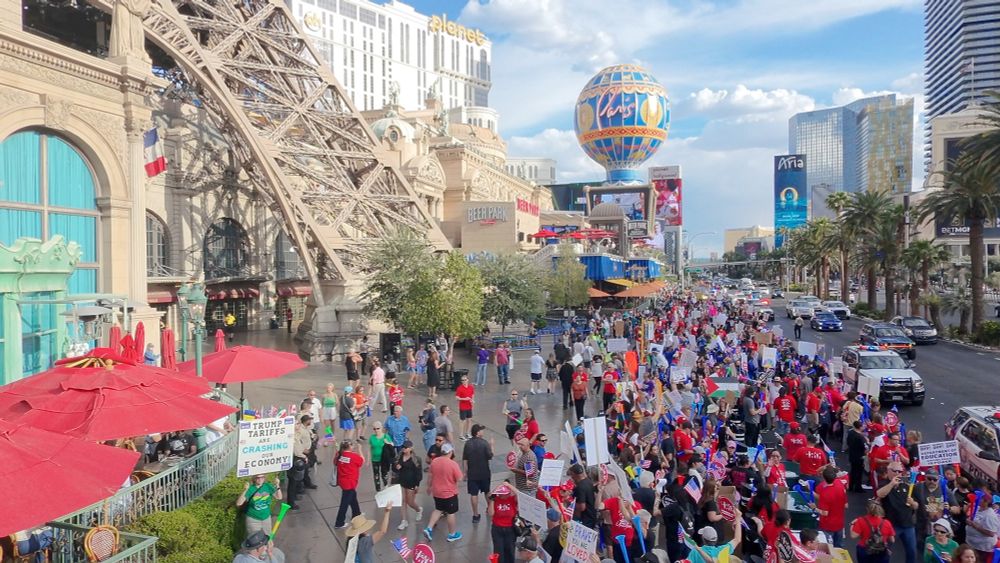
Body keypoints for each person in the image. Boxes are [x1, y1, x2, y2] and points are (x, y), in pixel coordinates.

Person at [877, 462, 919, 563]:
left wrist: (912, 503)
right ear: (888, 471)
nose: (897, 473)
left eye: (899, 471)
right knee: (886, 550)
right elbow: (879, 494)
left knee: (912, 551)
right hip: (891, 525)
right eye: (894, 471)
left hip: (908, 524)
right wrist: (892, 484)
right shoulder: (884, 483)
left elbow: (916, 506)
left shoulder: (906, 486)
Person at [424, 442, 463, 543]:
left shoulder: (434, 461)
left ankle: (429, 528)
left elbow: (430, 475)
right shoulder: (453, 464)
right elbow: (459, 478)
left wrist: (428, 487)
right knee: (451, 513)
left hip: (437, 492)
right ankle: (452, 534)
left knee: (438, 509)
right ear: (450, 452)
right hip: (449, 493)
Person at [462, 423, 495, 524]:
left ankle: (475, 515)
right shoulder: (484, 443)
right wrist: (492, 445)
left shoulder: (467, 444)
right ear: (478, 432)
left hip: (472, 473)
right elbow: (490, 456)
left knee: (473, 494)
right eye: (481, 430)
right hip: (484, 472)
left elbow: (465, 459)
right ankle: (490, 509)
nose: (483, 431)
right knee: (487, 491)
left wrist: (465, 473)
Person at [332, 440, 364, 529]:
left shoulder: (339, 455)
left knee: (353, 497)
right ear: (349, 447)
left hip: (343, 481)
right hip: (350, 482)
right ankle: (339, 522)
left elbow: (335, 462)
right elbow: (362, 461)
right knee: (344, 503)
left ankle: (356, 514)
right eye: (352, 445)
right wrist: (360, 449)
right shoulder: (353, 456)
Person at [814, 466, 847, 548]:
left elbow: (825, 513)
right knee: (839, 548)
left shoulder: (825, 494)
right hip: (839, 524)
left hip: (827, 525)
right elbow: (846, 505)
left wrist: (814, 508)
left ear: (824, 478)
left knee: (828, 548)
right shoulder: (840, 485)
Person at [392, 440, 423, 530]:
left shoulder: (416, 459)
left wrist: (417, 484)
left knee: (410, 502)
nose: (404, 449)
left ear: (411, 448)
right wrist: (396, 467)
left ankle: (418, 509)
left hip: (411, 482)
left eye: (406, 447)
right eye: (403, 447)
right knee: (403, 501)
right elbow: (394, 468)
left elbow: (418, 473)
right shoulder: (399, 457)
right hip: (401, 481)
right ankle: (404, 521)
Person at [964, 491, 1000, 562]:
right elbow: (970, 518)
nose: (977, 499)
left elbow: (991, 533)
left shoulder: (990, 515)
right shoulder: (977, 508)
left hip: (982, 548)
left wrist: (975, 525)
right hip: (972, 543)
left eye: (980, 498)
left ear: (986, 502)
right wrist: (968, 521)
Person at [489, 482, 519, 563]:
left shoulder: (512, 499)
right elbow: (491, 513)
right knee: (498, 551)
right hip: (497, 529)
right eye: (501, 494)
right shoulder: (495, 500)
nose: (502, 496)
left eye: (505, 494)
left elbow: (519, 494)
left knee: (510, 551)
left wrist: (508, 485)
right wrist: (493, 497)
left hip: (510, 529)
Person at [569, 463, 598, 530]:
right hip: (592, 515)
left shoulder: (580, 487)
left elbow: (582, 507)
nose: (571, 477)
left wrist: (571, 503)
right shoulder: (589, 481)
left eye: (571, 475)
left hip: (585, 519)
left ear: (574, 474)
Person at [368, 421, 393, 492]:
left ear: (381, 428)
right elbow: (369, 448)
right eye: (374, 429)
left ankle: (386, 486)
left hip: (383, 459)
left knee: (384, 474)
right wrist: (368, 459)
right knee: (376, 475)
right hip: (375, 459)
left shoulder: (386, 436)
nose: (376, 430)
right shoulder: (372, 437)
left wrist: (387, 442)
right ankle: (378, 489)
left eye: (378, 428)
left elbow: (392, 446)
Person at [847, 420, 870, 492]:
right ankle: (858, 487)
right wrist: (867, 442)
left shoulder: (851, 433)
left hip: (852, 455)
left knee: (853, 471)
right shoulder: (860, 437)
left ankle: (851, 486)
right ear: (860, 427)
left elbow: (848, 443)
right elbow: (866, 448)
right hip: (859, 457)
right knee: (859, 473)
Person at [455, 375, 475, 440]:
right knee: (462, 421)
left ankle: (467, 433)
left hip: (469, 406)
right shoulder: (459, 388)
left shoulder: (471, 387)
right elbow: (457, 397)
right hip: (463, 407)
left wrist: (472, 400)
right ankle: (461, 435)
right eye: (462, 380)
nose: (464, 381)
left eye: (465, 380)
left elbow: (472, 394)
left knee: (469, 420)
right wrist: (464, 399)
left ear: (467, 380)